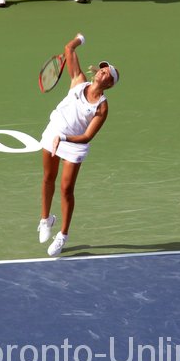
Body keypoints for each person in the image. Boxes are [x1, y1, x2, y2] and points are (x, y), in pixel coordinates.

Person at [38, 33, 120, 256]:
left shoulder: (102, 108)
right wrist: (79, 39)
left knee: (66, 189)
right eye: (102, 68)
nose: (102, 71)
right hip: (54, 132)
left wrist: (63, 139)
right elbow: (69, 49)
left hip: (72, 143)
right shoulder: (77, 80)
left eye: (107, 72)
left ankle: (62, 235)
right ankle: (45, 220)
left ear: (109, 83)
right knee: (48, 178)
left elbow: (86, 137)